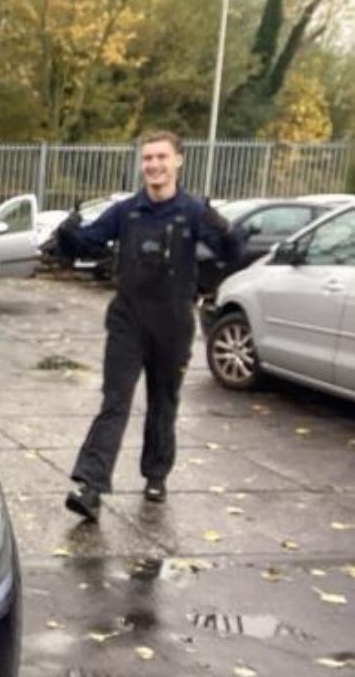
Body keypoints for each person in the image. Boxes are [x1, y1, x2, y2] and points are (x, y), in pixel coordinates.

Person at [41, 131, 242, 522]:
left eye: (161, 157)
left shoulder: (192, 211)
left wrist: (225, 230)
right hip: (128, 322)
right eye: (148, 158)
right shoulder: (127, 211)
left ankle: (155, 475)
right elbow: (88, 243)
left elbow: (230, 254)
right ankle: (90, 486)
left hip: (173, 323)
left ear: (178, 161)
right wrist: (68, 234)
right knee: (115, 401)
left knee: (163, 402)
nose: (153, 165)